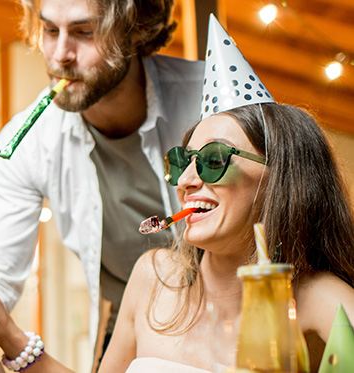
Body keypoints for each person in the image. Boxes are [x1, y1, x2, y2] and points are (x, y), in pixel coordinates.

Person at [96, 16, 354, 372]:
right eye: (182, 161)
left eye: (214, 159)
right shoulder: (153, 277)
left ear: (281, 179)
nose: (185, 180)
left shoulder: (317, 298)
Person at [0, 0, 203, 361]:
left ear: (137, 28)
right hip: (133, 316)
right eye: (50, 31)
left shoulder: (213, 101)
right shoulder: (26, 143)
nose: (60, 54)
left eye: (84, 33)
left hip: (233, 303)